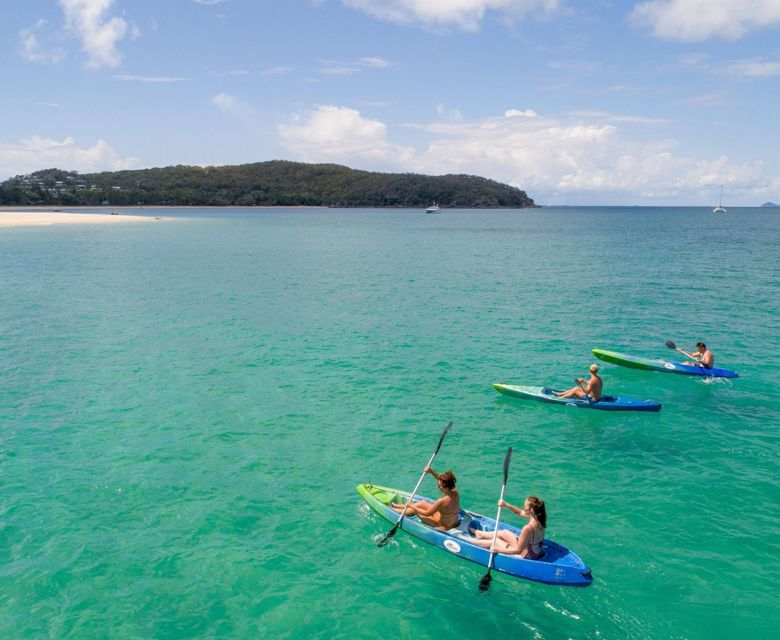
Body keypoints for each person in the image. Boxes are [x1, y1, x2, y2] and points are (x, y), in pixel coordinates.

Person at [468, 496, 546, 559]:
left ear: (530, 510)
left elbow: (518, 551)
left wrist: (498, 550)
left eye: (524, 506)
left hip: (527, 555)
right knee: (504, 532)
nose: (523, 507)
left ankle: (467, 540)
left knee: (495, 541)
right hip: (534, 549)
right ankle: (480, 534)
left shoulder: (528, 528)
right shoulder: (540, 518)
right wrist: (506, 505)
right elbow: (519, 512)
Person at [390, 467, 460, 530]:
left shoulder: (441, 501)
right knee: (422, 503)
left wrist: (412, 506)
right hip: (452, 522)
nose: (438, 487)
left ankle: (396, 510)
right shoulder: (455, 492)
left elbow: (426, 513)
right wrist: (431, 471)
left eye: (439, 486)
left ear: (446, 487)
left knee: (414, 510)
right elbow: (441, 480)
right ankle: (402, 506)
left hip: (442, 526)